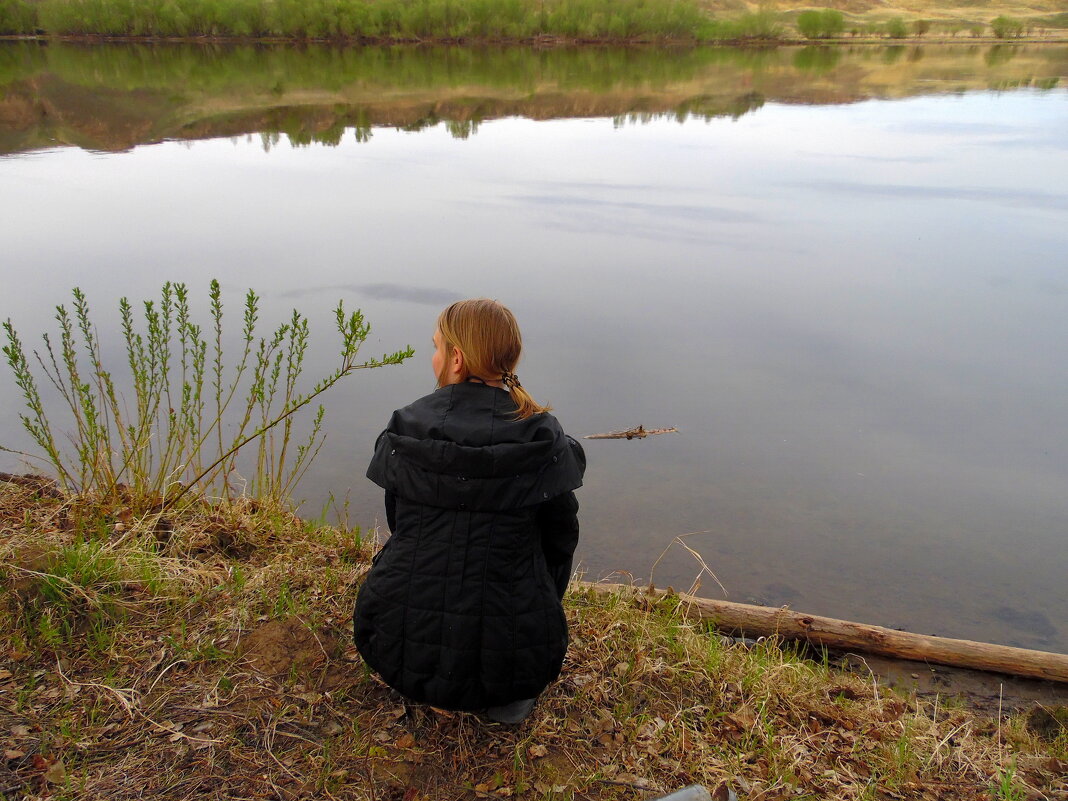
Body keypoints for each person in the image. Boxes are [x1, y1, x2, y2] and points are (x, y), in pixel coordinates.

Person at [353, 298, 586, 724]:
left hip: (394, 642)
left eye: (437, 347)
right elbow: (560, 541)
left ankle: (431, 684)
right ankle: (501, 701)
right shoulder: (541, 436)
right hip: (516, 662)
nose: (434, 356)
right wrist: (537, 605)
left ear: (457, 360)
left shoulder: (406, 425)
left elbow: (400, 526)